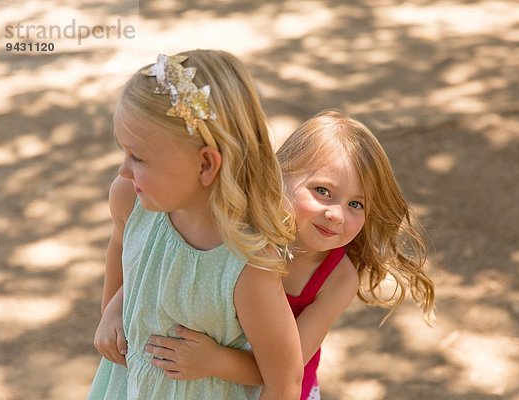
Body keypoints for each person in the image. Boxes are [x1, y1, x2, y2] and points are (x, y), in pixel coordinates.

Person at [126, 110, 436, 399]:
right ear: (279, 176)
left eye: (356, 204)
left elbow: (290, 368)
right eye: (323, 191)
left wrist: (215, 361)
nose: (337, 215)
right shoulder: (245, 229)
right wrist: (117, 306)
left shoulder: (338, 279)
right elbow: (148, 257)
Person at [88, 50, 303, 400]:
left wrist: (218, 361)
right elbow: (122, 246)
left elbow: (285, 380)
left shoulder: (245, 264)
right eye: (123, 152)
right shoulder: (131, 199)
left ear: (206, 164)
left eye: (138, 157)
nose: (124, 170)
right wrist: (112, 310)